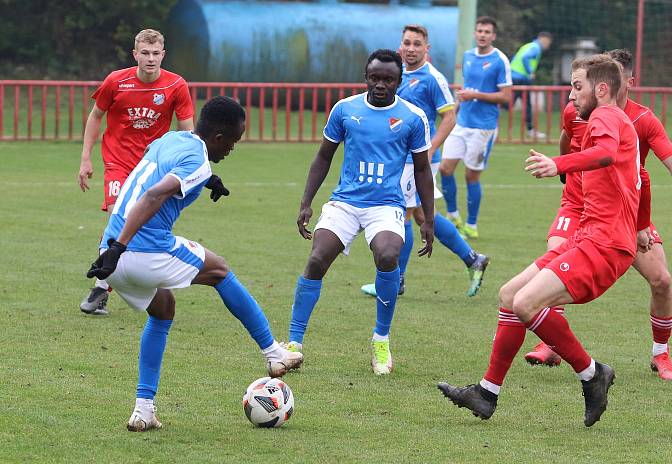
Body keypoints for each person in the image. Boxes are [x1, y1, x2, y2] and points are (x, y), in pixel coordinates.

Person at [438, 55, 650, 427]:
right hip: (590, 237)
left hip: (605, 244)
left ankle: (592, 373)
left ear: (602, 89)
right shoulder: (610, 119)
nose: (571, 95)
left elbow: (603, 155)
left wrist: (559, 164)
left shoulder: (606, 114)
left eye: (577, 86)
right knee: (509, 295)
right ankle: (487, 393)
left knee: (525, 303)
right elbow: (639, 176)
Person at [84, 96, 303, 432]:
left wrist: (206, 178)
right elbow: (154, 194)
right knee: (219, 271)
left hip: (111, 255)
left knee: (163, 309)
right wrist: (121, 246)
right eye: (234, 141)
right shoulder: (197, 162)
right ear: (218, 138)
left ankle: (143, 410)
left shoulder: (171, 138)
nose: (233, 148)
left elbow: (151, 175)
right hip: (137, 249)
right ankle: (274, 353)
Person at [524, 49, 672, 380]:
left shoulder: (642, 119)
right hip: (577, 204)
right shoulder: (576, 108)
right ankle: (551, 343)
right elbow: (566, 137)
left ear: (626, 81)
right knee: (553, 258)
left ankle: (661, 354)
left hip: (625, 210)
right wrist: (562, 169)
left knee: (662, 280)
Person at [285, 49, 435, 375]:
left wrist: (428, 218)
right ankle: (294, 344)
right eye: (375, 78)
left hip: (386, 206)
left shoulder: (412, 117)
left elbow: (423, 170)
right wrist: (306, 201)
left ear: (399, 81)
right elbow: (324, 156)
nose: (381, 84)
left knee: (387, 255)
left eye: (389, 79)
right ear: (366, 77)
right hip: (346, 202)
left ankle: (381, 341)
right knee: (316, 258)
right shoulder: (345, 109)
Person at [360, 24, 490, 299]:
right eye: (407, 42)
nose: (411, 48)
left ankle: (396, 281)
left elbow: (450, 116)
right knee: (420, 215)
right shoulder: (395, 73)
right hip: (400, 157)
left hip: (416, 160)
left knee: (402, 214)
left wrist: (430, 149)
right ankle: (472, 259)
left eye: (417, 44)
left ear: (426, 49)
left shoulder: (432, 78)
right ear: (400, 46)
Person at [78, 29, 195, 316]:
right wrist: (85, 159)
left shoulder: (176, 86)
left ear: (163, 55)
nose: (151, 59)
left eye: (156, 53)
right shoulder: (116, 82)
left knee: (143, 229)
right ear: (135, 55)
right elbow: (95, 116)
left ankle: (107, 287)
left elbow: (187, 132)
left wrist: (193, 166)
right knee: (116, 223)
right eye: (145, 53)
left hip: (153, 169)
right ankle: (101, 289)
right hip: (118, 163)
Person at [439, 16, 512, 240]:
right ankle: (453, 216)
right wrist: (455, 108)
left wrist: (475, 95)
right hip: (461, 124)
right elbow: (465, 88)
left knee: (471, 176)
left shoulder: (500, 60)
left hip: (483, 128)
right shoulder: (468, 56)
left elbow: (506, 96)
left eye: (487, 31)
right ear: (475, 33)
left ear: (493, 36)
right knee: (445, 169)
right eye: (479, 30)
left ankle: (471, 224)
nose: (482, 34)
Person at [510, 31, 553, 139]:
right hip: (521, 78)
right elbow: (525, 58)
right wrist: (530, 72)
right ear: (544, 39)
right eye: (548, 42)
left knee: (510, 103)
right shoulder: (536, 48)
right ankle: (530, 130)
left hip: (513, 77)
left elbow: (516, 58)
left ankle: (530, 129)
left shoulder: (528, 45)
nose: (548, 45)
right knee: (526, 105)